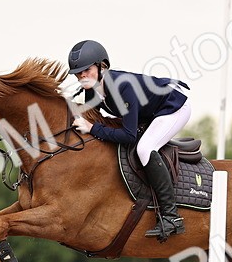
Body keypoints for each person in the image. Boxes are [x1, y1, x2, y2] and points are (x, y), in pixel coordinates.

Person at [68, 39, 191, 240]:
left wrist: (92, 128)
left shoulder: (121, 86)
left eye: (86, 70)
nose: (82, 76)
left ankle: (171, 216)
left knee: (144, 149)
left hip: (174, 106)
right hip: (151, 111)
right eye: (78, 73)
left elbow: (128, 135)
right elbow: (89, 115)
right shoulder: (91, 89)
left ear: (102, 66)